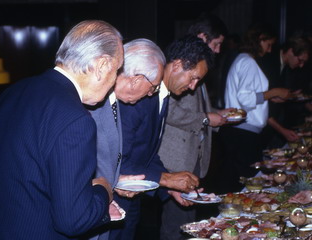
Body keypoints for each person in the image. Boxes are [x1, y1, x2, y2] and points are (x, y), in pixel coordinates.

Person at [0, 20, 123, 240]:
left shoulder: (12, 92)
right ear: (102, 66)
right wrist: (102, 191)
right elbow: (73, 221)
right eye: (117, 70)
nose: (115, 80)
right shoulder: (76, 119)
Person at [109, 35, 214, 240]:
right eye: (193, 78)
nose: (193, 87)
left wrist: (170, 189)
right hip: (112, 200)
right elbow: (119, 158)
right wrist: (167, 179)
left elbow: (148, 154)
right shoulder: (137, 97)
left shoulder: (163, 95)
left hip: (132, 200)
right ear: (176, 65)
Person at [82, 38, 166, 240]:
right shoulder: (90, 101)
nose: (150, 94)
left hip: (105, 202)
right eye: (153, 86)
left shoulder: (117, 102)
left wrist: (115, 181)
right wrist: (111, 183)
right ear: (137, 79)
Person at [158, 14, 232, 240]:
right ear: (202, 37)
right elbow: (170, 112)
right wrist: (206, 119)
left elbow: (198, 107)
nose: (218, 50)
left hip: (193, 157)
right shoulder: (176, 68)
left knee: (190, 225)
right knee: (175, 226)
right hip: (175, 160)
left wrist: (217, 113)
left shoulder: (196, 67)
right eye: (216, 43)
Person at [220, 24, 292, 193]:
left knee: (241, 182)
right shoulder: (248, 62)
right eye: (269, 45)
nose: (269, 50)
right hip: (244, 133)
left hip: (241, 132)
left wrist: (269, 97)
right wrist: (273, 92)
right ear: (260, 40)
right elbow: (246, 98)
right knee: (250, 184)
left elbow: (249, 95)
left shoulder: (243, 59)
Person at [259, 36, 310, 148]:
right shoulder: (269, 62)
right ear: (291, 51)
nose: (301, 65)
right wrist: (282, 130)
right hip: (260, 127)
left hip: (273, 125)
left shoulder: (285, 66)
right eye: (300, 60)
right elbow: (259, 101)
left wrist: (288, 96)